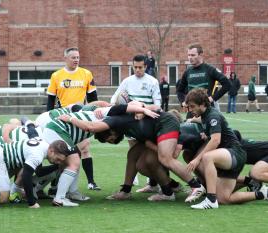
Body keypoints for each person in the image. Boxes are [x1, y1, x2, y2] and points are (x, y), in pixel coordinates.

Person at [63, 107, 207, 204]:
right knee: (135, 157)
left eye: (110, 138)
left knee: (164, 158)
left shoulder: (114, 120)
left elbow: (91, 127)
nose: (113, 141)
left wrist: (70, 119)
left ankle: (196, 186)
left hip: (165, 123)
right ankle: (127, 191)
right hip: (156, 131)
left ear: (110, 131)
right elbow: (107, 105)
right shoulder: (120, 121)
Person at [47, 47, 100, 190]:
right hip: (62, 118)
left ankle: (91, 182)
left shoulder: (86, 74)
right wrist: (49, 117)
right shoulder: (56, 76)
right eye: (73, 57)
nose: (76, 60)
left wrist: (94, 115)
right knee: (61, 150)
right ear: (65, 58)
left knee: (85, 149)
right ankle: (54, 184)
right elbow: (50, 100)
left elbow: (93, 98)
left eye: (77, 57)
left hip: (80, 117)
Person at [185, 88, 248, 209]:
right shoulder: (204, 115)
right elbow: (201, 120)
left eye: (192, 107)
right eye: (189, 107)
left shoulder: (212, 115)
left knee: (207, 157)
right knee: (224, 198)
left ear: (202, 104)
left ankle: (211, 200)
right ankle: (261, 193)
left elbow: (215, 140)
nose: (190, 110)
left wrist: (197, 159)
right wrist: (191, 120)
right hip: (228, 156)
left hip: (235, 153)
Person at [0, 140, 69, 208]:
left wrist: (57, 167)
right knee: (3, 197)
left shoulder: (43, 145)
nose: (58, 162)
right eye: (58, 159)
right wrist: (32, 202)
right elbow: (26, 176)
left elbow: (38, 171)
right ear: (51, 151)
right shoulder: (38, 155)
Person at [110, 54, 161, 186]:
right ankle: (135, 177)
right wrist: (117, 103)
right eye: (135, 67)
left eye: (140, 67)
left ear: (145, 66)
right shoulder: (127, 81)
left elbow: (158, 105)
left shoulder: (152, 81)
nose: (137, 70)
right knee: (133, 148)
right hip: (132, 121)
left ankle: (153, 183)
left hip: (148, 122)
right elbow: (115, 98)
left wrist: (142, 109)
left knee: (150, 152)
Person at [177, 43, 230, 110]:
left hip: (207, 111)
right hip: (192, 112)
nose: (190, 58)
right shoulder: (187, 72)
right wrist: (183, 102)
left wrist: (213, 98)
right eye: (189, 55)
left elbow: (227, 84)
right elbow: (179, 91)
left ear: (200, 55)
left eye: (193, 55)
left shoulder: (210, 69)